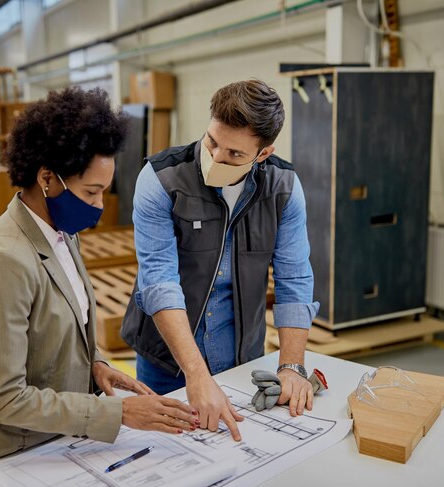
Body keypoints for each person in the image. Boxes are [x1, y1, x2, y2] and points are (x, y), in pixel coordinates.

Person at [0, 87, 197, 469]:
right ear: (47, 178)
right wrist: (120, 414)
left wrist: (96, 365)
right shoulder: (3, 262)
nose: (99, 206)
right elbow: (3, 398)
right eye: (91, 192)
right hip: (8, 451)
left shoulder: (61, 233)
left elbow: (58, 330)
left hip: (55, 437)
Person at [121, 79, 320, 442]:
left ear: (263, 154)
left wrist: (291, 366)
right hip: (167, 359)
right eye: (212, 142)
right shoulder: (161, 179)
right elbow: (159, 282)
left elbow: (294, 278)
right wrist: (196, 374)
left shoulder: (283, 188)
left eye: (234, 154)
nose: (216, 158)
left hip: (242, 357)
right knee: (166, 456)